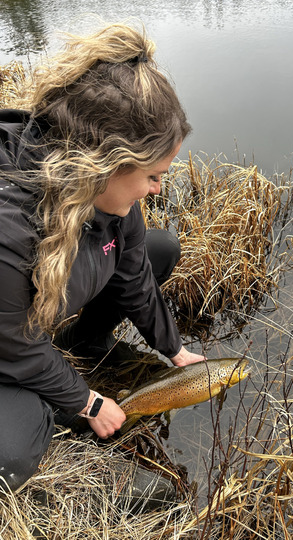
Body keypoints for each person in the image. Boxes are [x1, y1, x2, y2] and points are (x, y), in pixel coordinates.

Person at [0, 23, 205, 493]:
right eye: (153, 175)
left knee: (158, 250)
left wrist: (173, 349)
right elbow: (13, 345)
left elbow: (134, 278)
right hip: (3, 339)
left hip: (15, 324)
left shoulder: (113, 201)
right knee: (16, 448)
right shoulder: (8, 226)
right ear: (107, 164)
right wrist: (87, 402)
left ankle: (84, 341)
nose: (158, 188)